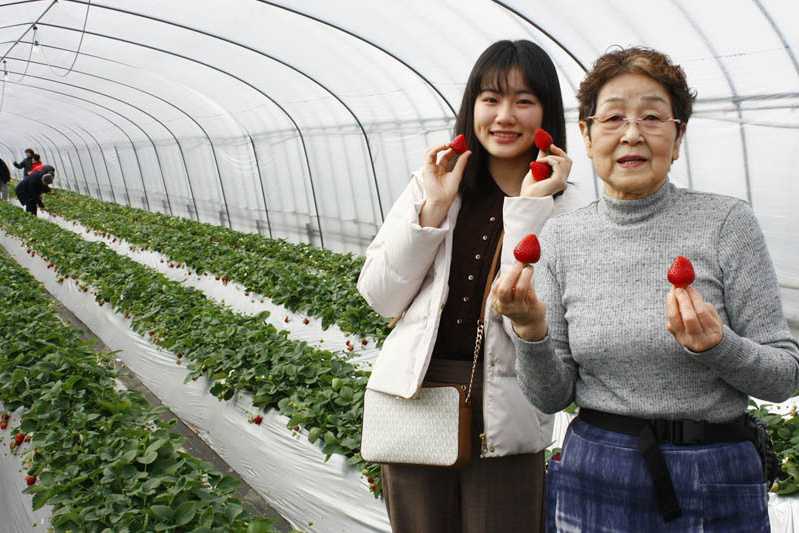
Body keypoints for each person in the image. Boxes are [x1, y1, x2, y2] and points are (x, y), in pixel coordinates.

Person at [492, 46, 799, 532]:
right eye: (613, 118)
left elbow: (785, 376)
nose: (632, 133)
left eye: (653, 117)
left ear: (677, 139)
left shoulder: (726, 223)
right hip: (595, 469)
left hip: (716, 470)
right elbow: (551, 396)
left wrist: (719, 346)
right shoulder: (561, 237)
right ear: (587, 138)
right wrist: (530, 330)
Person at [357, 40, 585, 532]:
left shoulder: (567, 209)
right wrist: (431, 212)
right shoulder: (432, 186)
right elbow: (380, 295)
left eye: (524, 101)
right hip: (418, 393)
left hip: (509, 404)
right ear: (471, 106)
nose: (504, 116)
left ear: (546, 114)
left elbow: (531, 311)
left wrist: (529, 209)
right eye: (490, 98)